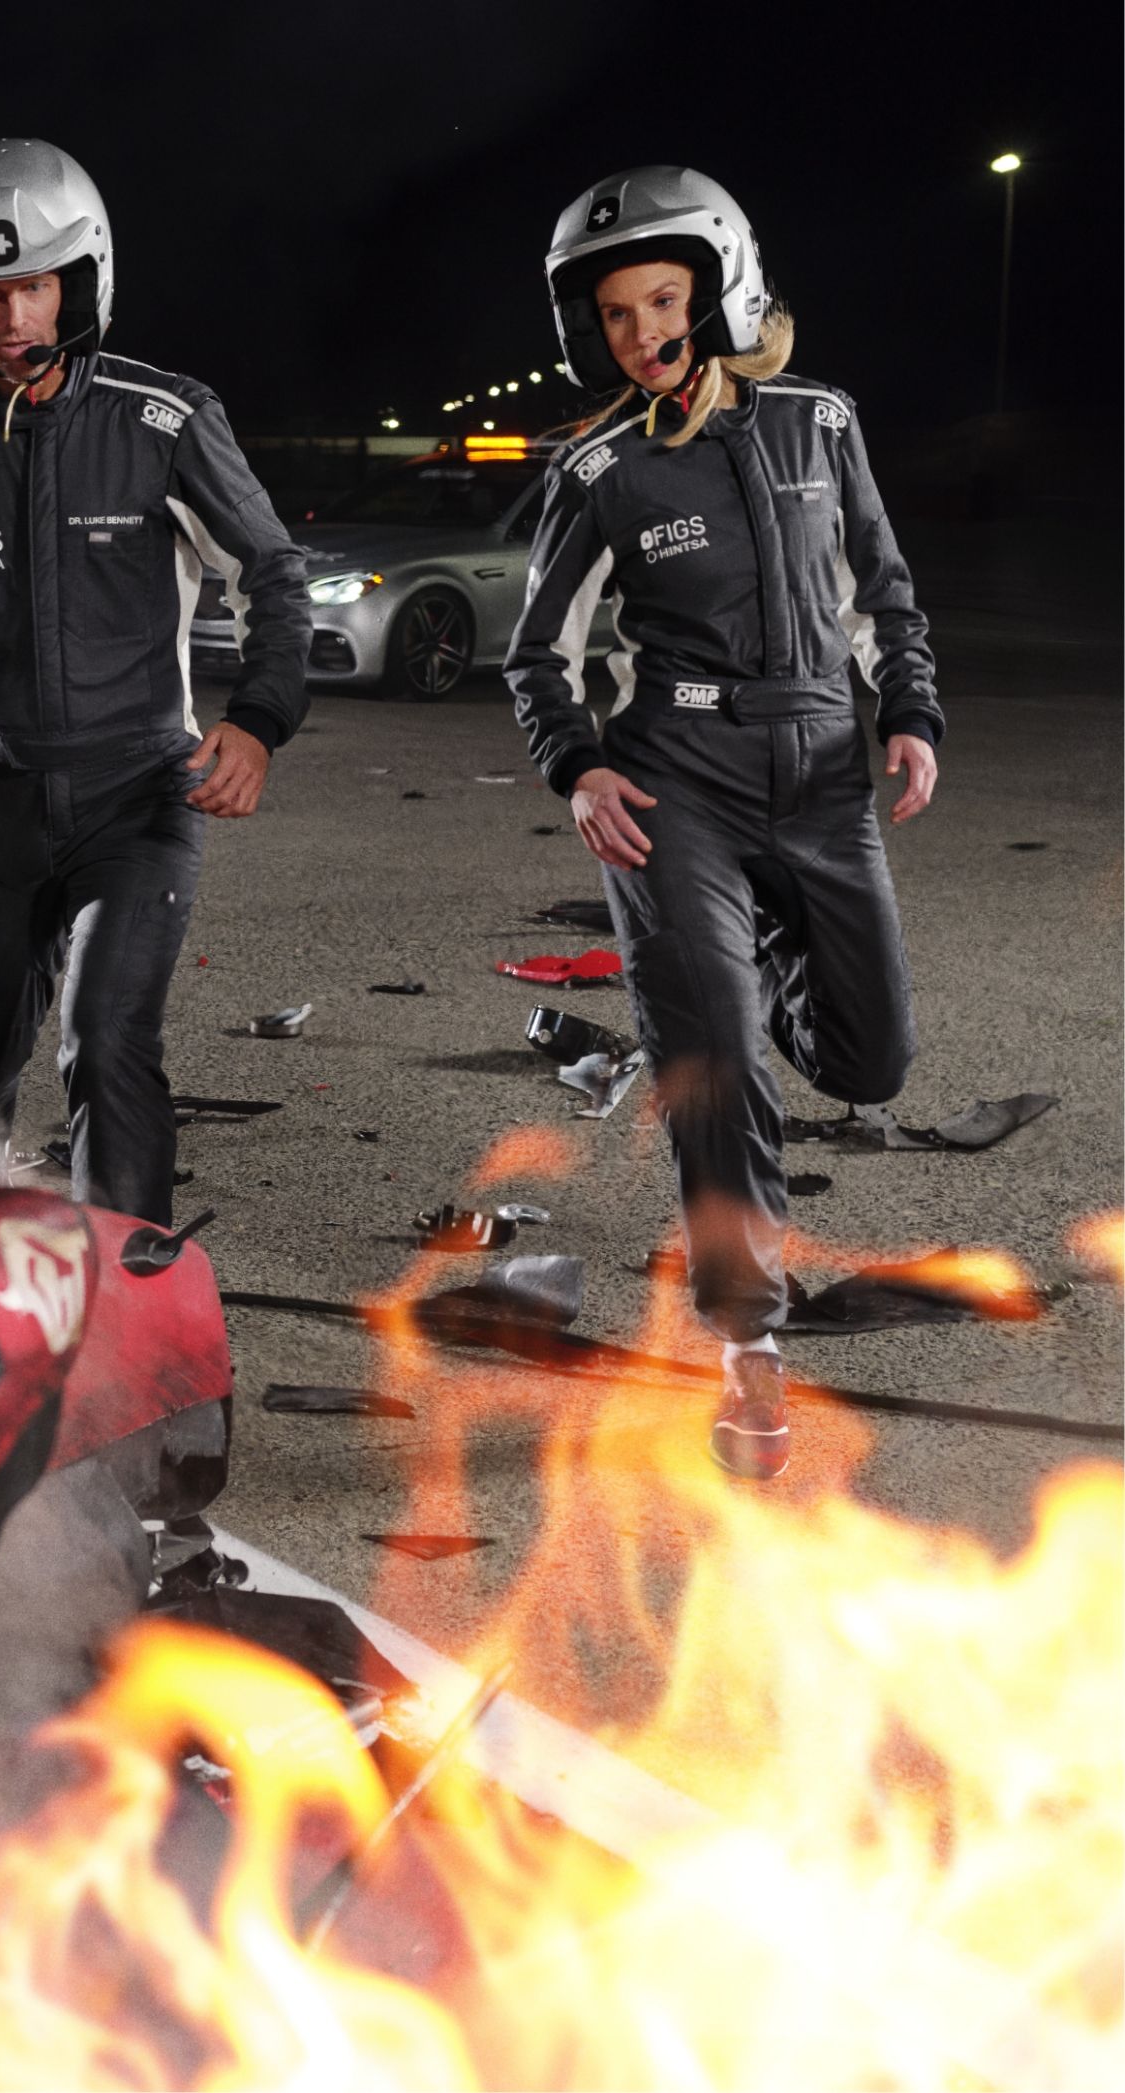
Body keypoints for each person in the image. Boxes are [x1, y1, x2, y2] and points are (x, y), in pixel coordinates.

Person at [506, 165, 942, 1480]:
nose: (644, 331)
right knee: (717, 1055)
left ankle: (744, 976)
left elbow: (881, 591)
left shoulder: (818, 420)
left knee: (870, 1063)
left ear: (716, 283)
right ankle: (745, 1341)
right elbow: (535, 655)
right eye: (618, 315)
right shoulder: (597, 466)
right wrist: (574, 769)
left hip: (817, 776)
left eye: (662, 298)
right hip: (670, 781)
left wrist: (906, 713)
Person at [0, 139, 310, 1226]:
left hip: (137, 793)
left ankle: (126, 1310)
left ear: (79, 279)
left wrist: (257, 720)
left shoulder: (162, 418)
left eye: (32, 285)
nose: (11, 317)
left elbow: (271, 570)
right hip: (0, 798)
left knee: (105, 1036)